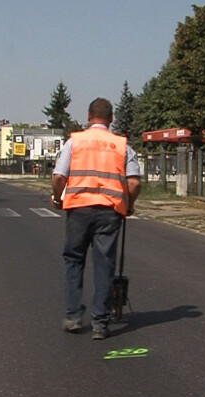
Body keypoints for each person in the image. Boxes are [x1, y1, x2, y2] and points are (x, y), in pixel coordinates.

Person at [51, 98, 141, 340]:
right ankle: (100, 323)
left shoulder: (75, 142)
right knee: (104, 265)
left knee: (73, 261)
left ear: (88, 116)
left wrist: (58, 198)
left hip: (78, 209)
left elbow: (59, 176)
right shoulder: (122, 145)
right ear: (111, 119)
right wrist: (128, 205)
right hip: (110, 212)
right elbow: (133, 181)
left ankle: (73, 316)